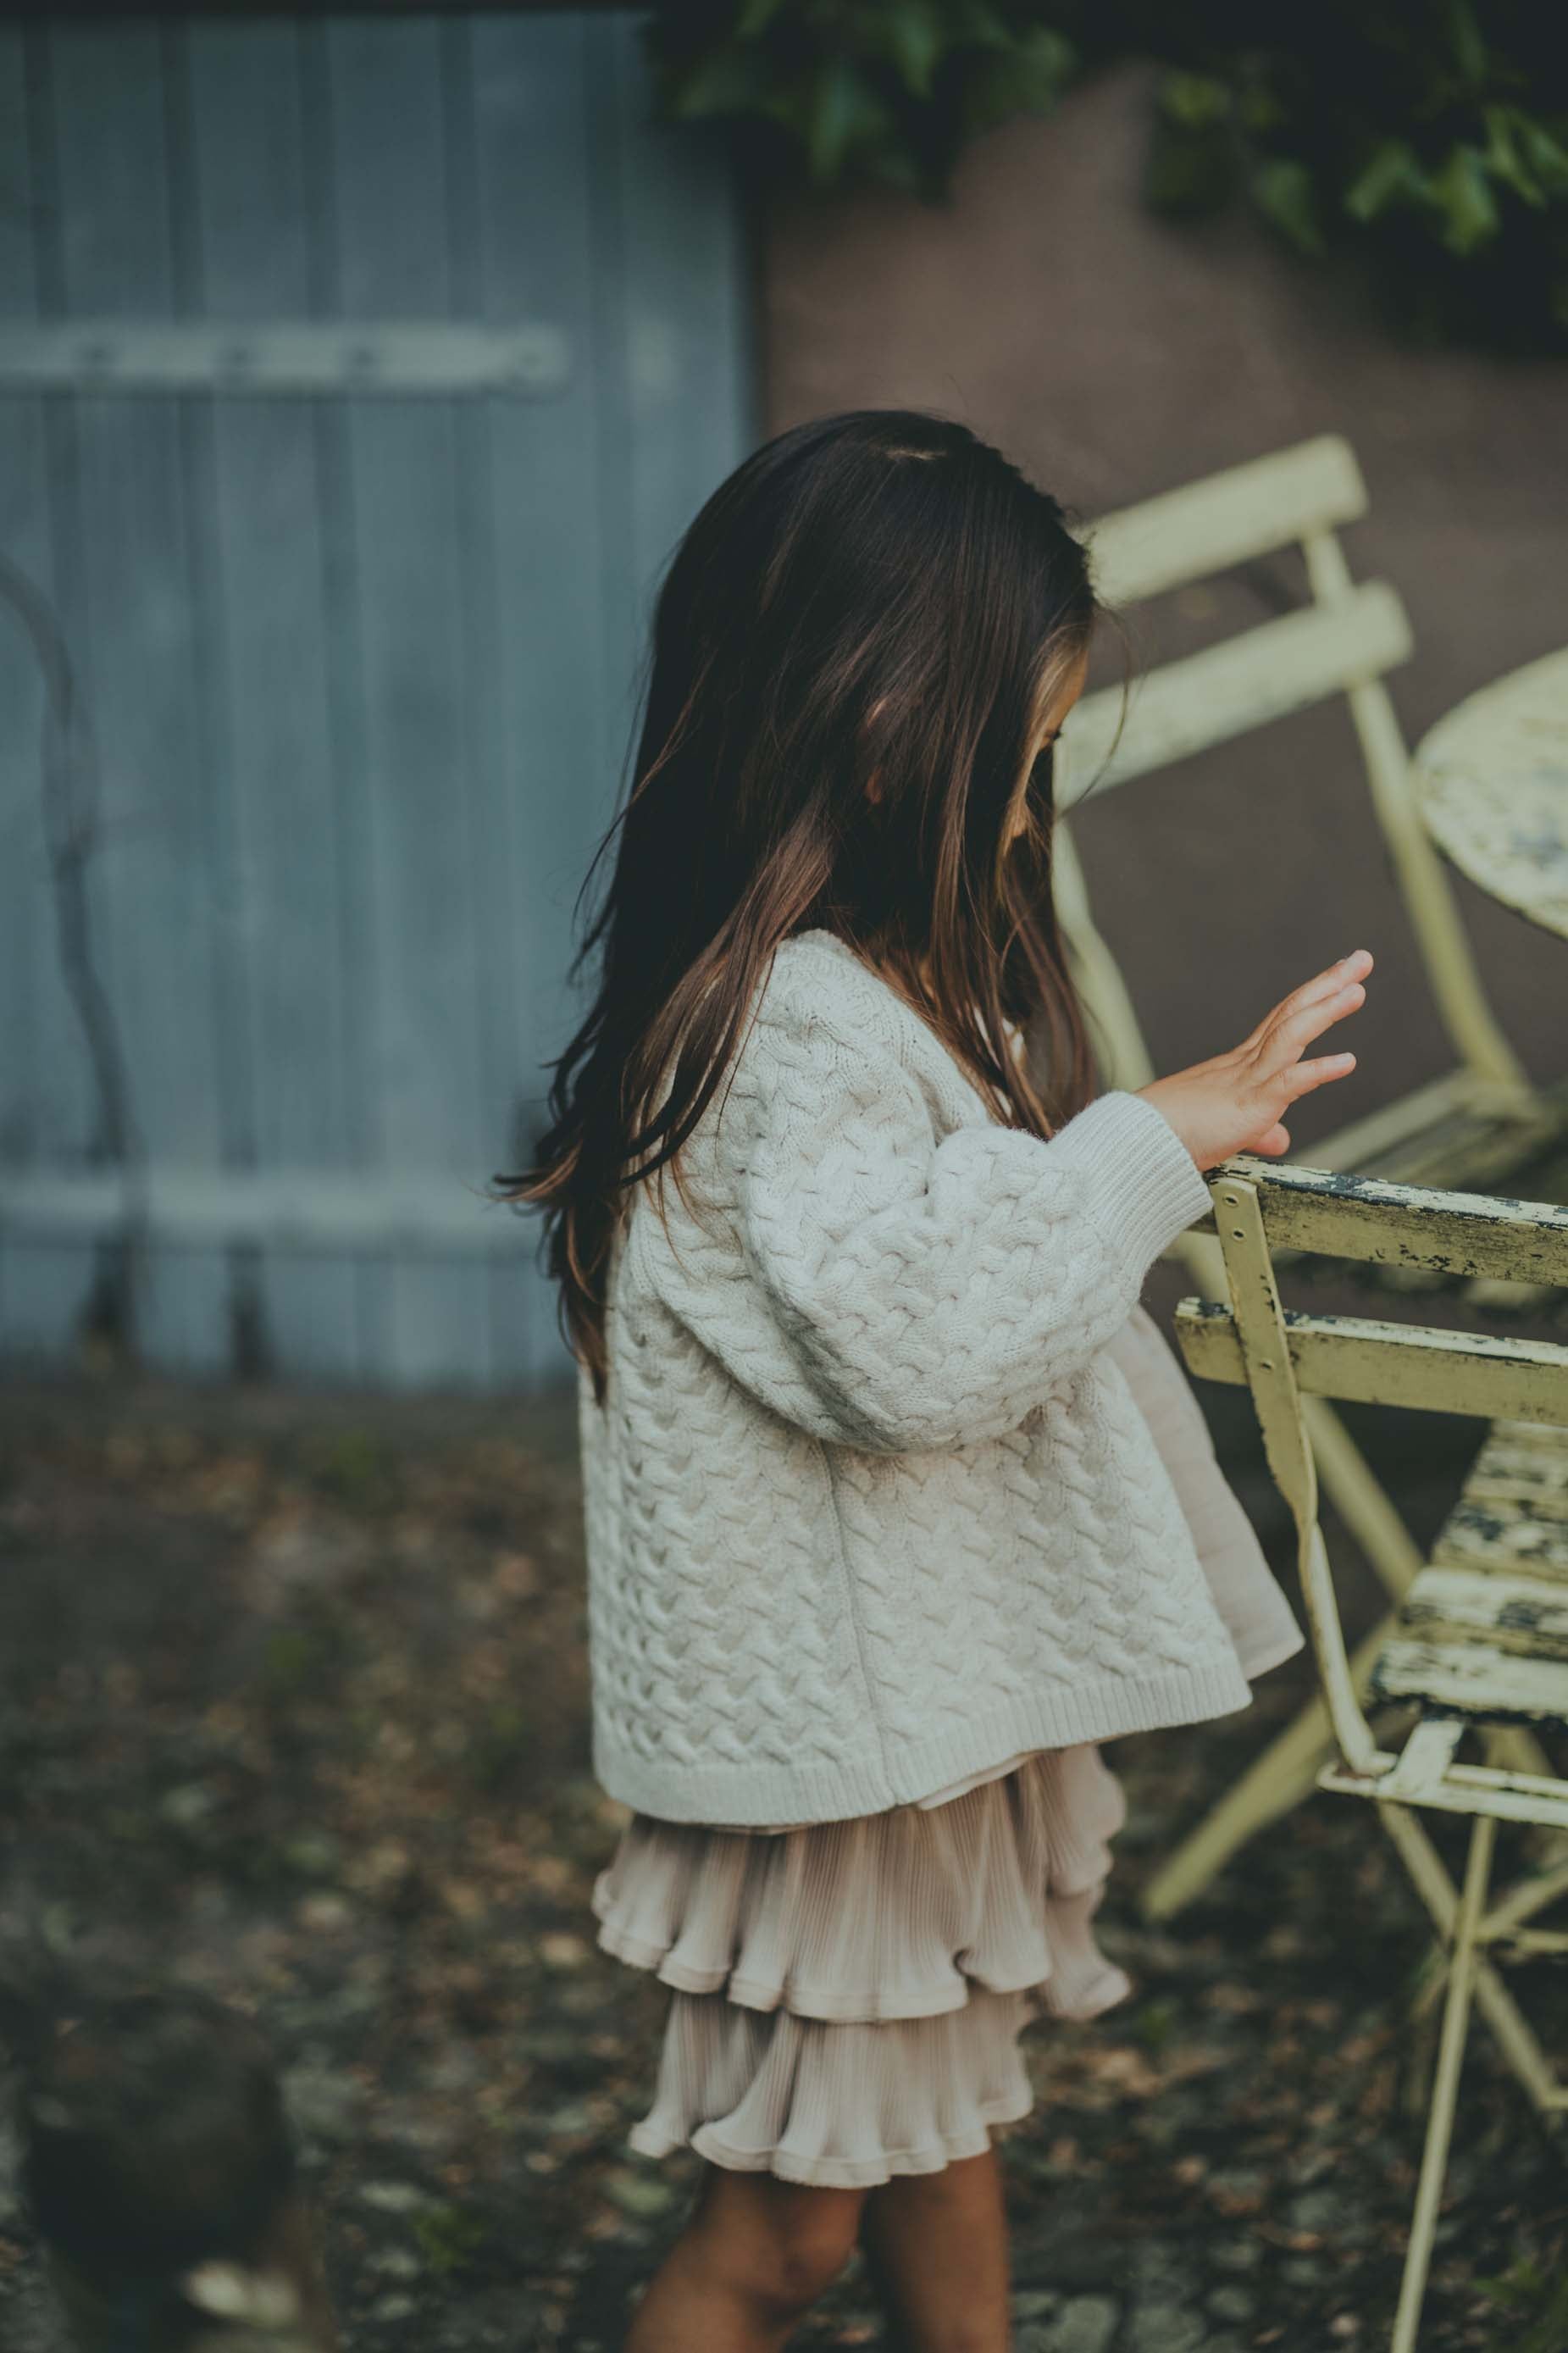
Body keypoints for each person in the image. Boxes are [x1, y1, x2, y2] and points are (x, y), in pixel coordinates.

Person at [497, 409, 1371, 2353]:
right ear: (893, 733)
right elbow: (914, 1343)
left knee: (948, 2123)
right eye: (1022, 755)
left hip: (907, 1709)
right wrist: (1140, 1146)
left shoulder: (865, 972)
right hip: (843, 1759)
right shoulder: (785, 1031)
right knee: (779, 2238)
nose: (1032, 808)